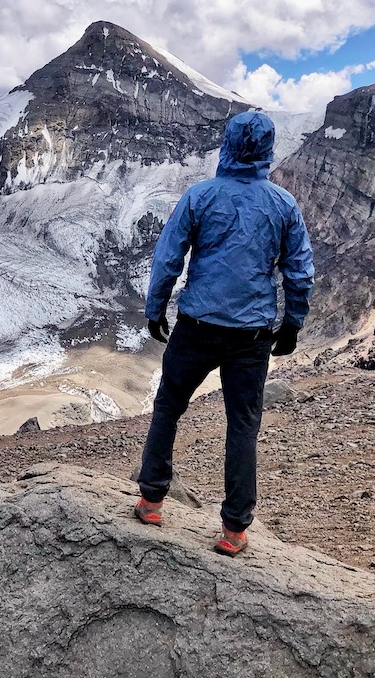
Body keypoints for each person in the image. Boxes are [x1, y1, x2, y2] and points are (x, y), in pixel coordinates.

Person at [134, 110, 314, 556]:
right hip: (251, 336)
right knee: (242, 427)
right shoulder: (283, 204)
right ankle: (234, 529)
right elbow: (300, 273)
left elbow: (168, 258)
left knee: (168, 408)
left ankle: (152, 501)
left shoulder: (200, 196)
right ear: (268, 150)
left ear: (227, 144)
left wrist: (156, 308)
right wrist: (291, 324)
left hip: (196, 326)